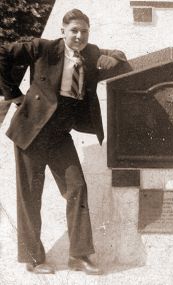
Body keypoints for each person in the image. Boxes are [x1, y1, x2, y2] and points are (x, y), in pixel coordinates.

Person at [0, 9, 127, 275]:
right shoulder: (44, 48)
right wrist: (13, 94)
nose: (79, 36)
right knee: (30, 196)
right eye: (74, 31)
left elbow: (120, 57)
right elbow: (3, 53)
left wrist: (112, 59)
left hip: (59, 136)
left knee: (77, 187)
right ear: (63, 31)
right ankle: (33, 259)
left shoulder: (91, 54)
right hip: (31, 133)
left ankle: (79, 255)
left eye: (84, 31)